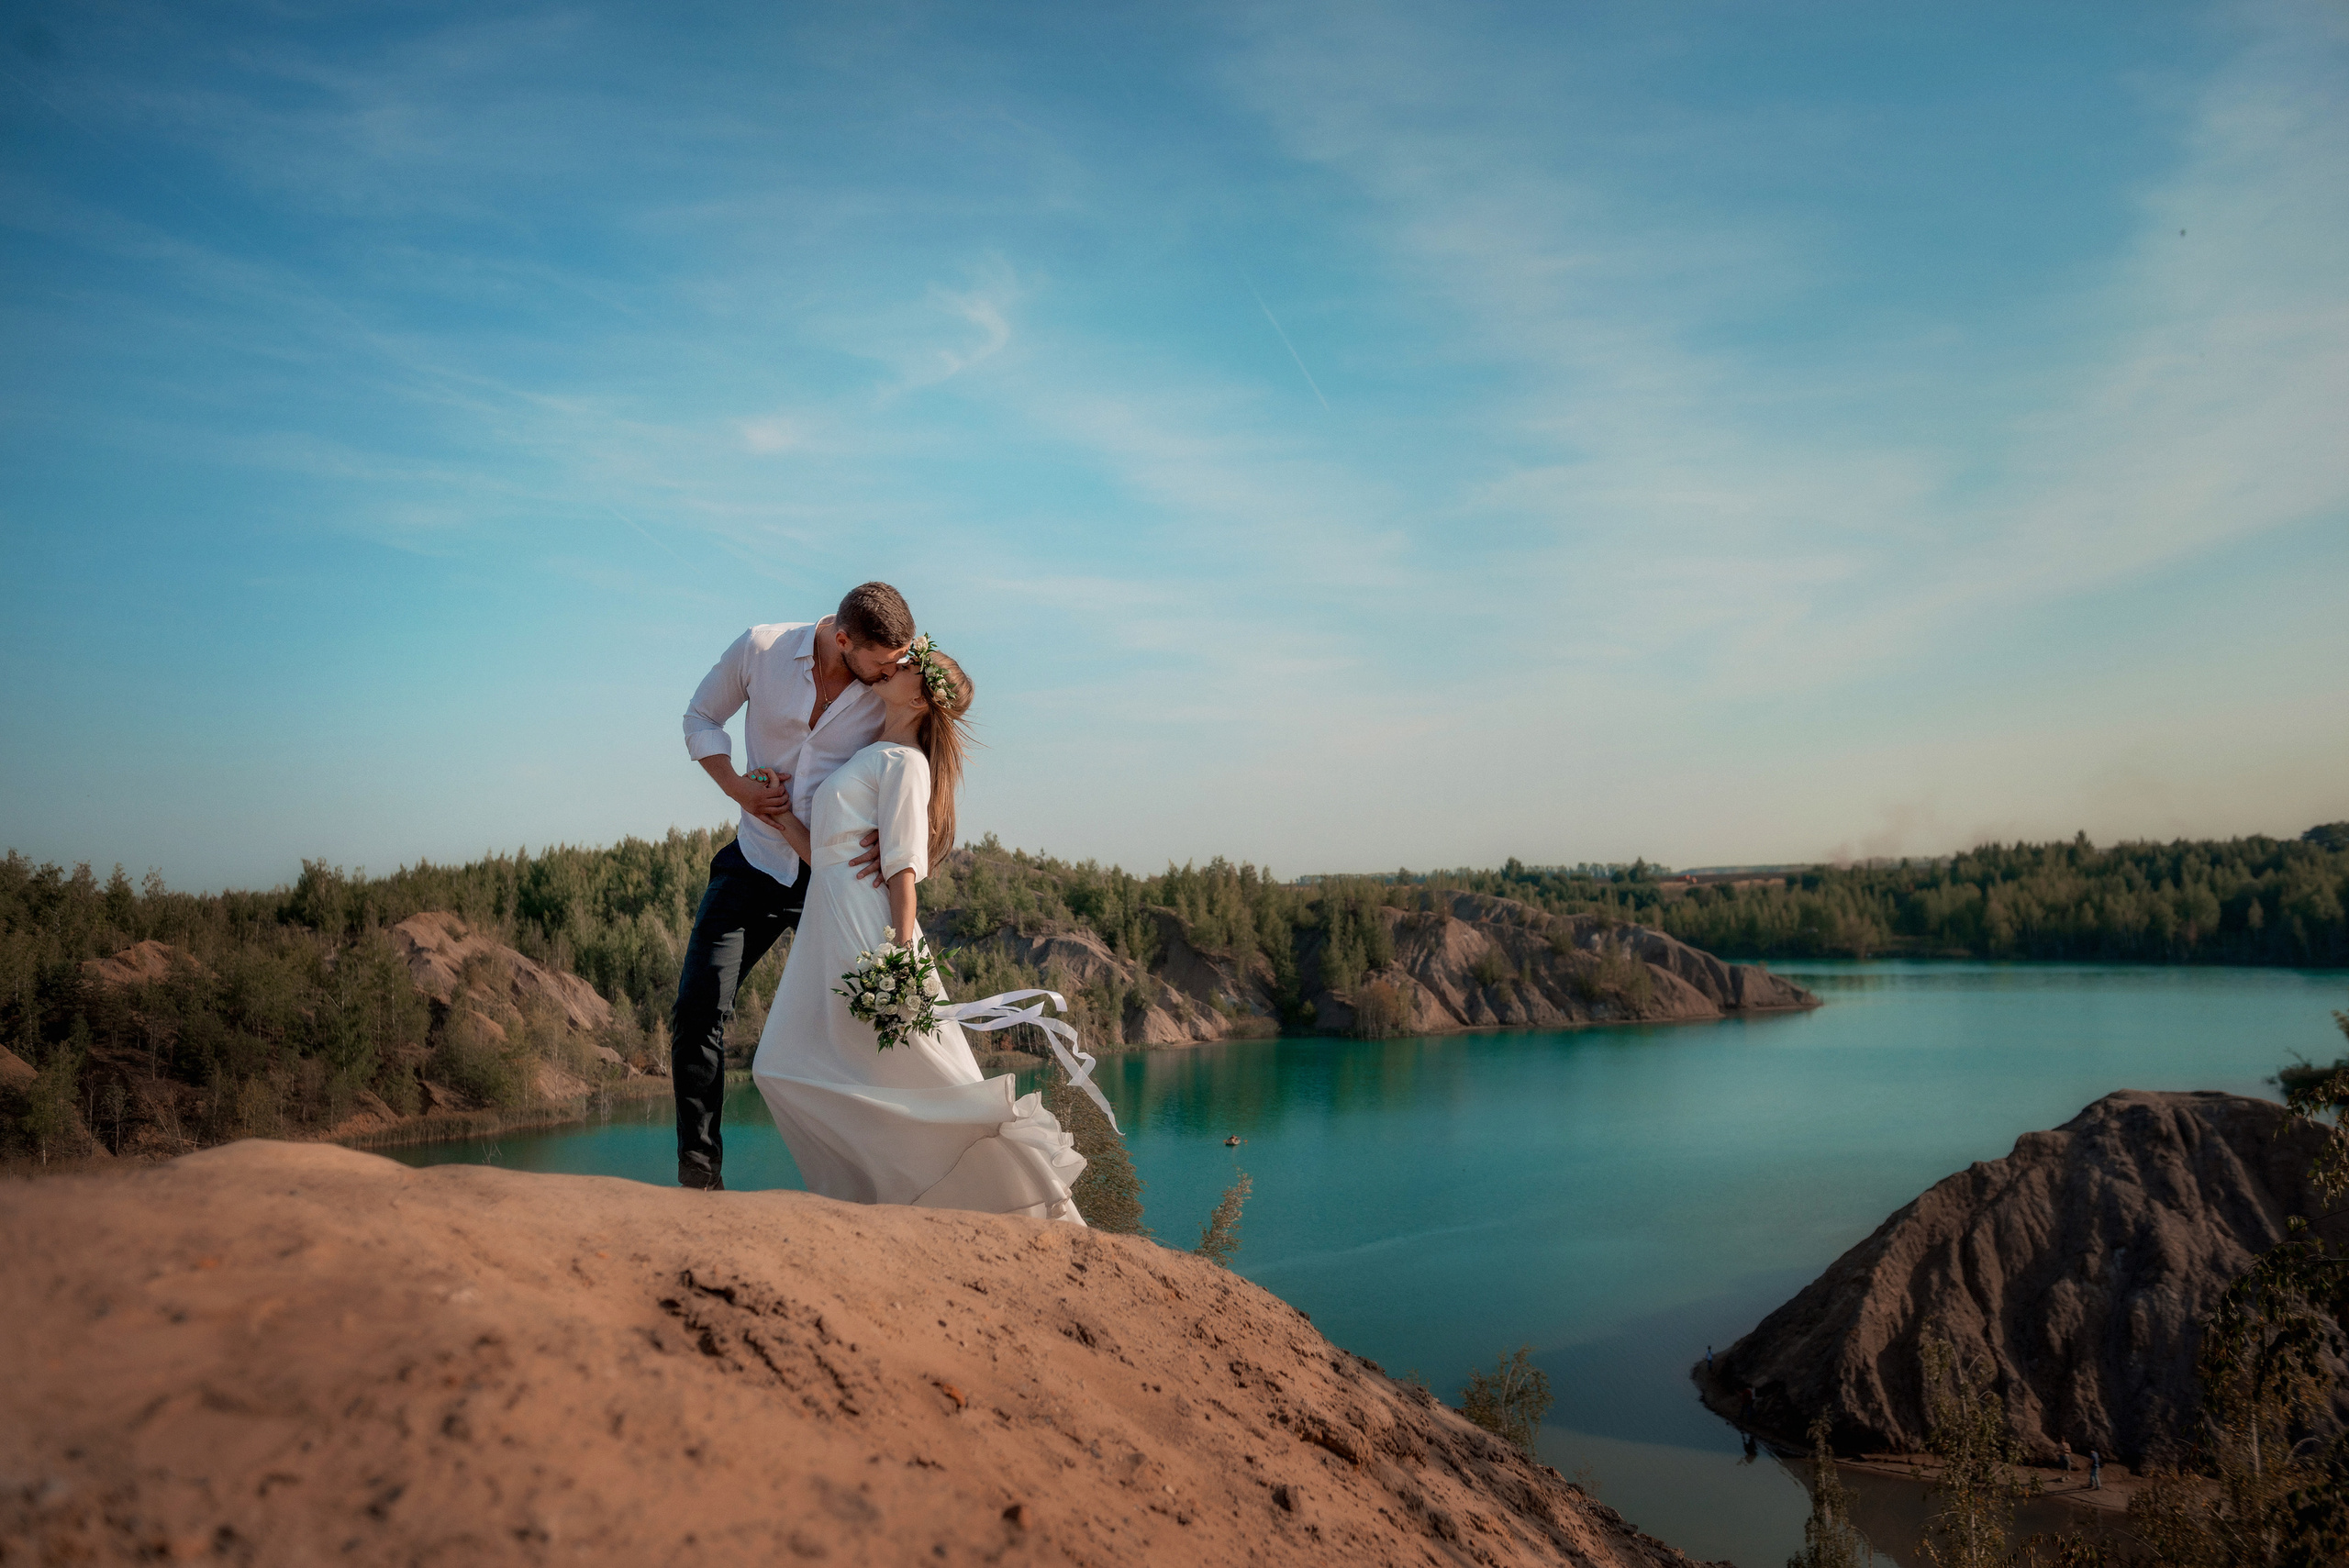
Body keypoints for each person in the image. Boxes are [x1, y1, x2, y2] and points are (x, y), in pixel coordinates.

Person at [750, 636, 1090, 1221]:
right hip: (825, 927)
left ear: (925, 700)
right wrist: (780, 818)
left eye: (908, 666)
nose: (896, 667)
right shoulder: (866, 751)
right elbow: (827, 856)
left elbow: (903, 867)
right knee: (781, 1064)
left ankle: (1015, 1197)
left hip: (869, 931)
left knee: (922, 1068)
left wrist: (902, 956)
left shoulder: (906, 764)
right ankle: (885, 1193)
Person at [669, 584, 916, 1191]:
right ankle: (700, 1179)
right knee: (698, 1009)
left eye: (897, 662)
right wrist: (737, 787)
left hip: (830, 878)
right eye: (882, 661)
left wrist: (902, 841)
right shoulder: (761, 648)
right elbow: (699, 715)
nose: (892, 671)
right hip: (752, 860)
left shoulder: (889, 680)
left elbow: (922, 758)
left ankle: (881, 1179)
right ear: (842, 640)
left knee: (862, 1022)